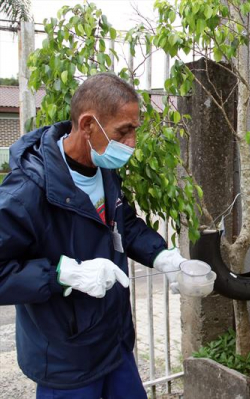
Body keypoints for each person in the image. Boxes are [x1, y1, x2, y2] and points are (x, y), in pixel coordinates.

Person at [0, 73, 190, 398]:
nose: (132, 143)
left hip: (113, 343)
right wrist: (63, 274)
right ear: (88, 124)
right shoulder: (27, 191)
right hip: (67, 359)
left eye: (134, 131)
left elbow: (122, 222)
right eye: (123, 131)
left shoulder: (102, 166)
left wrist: (163, 256)